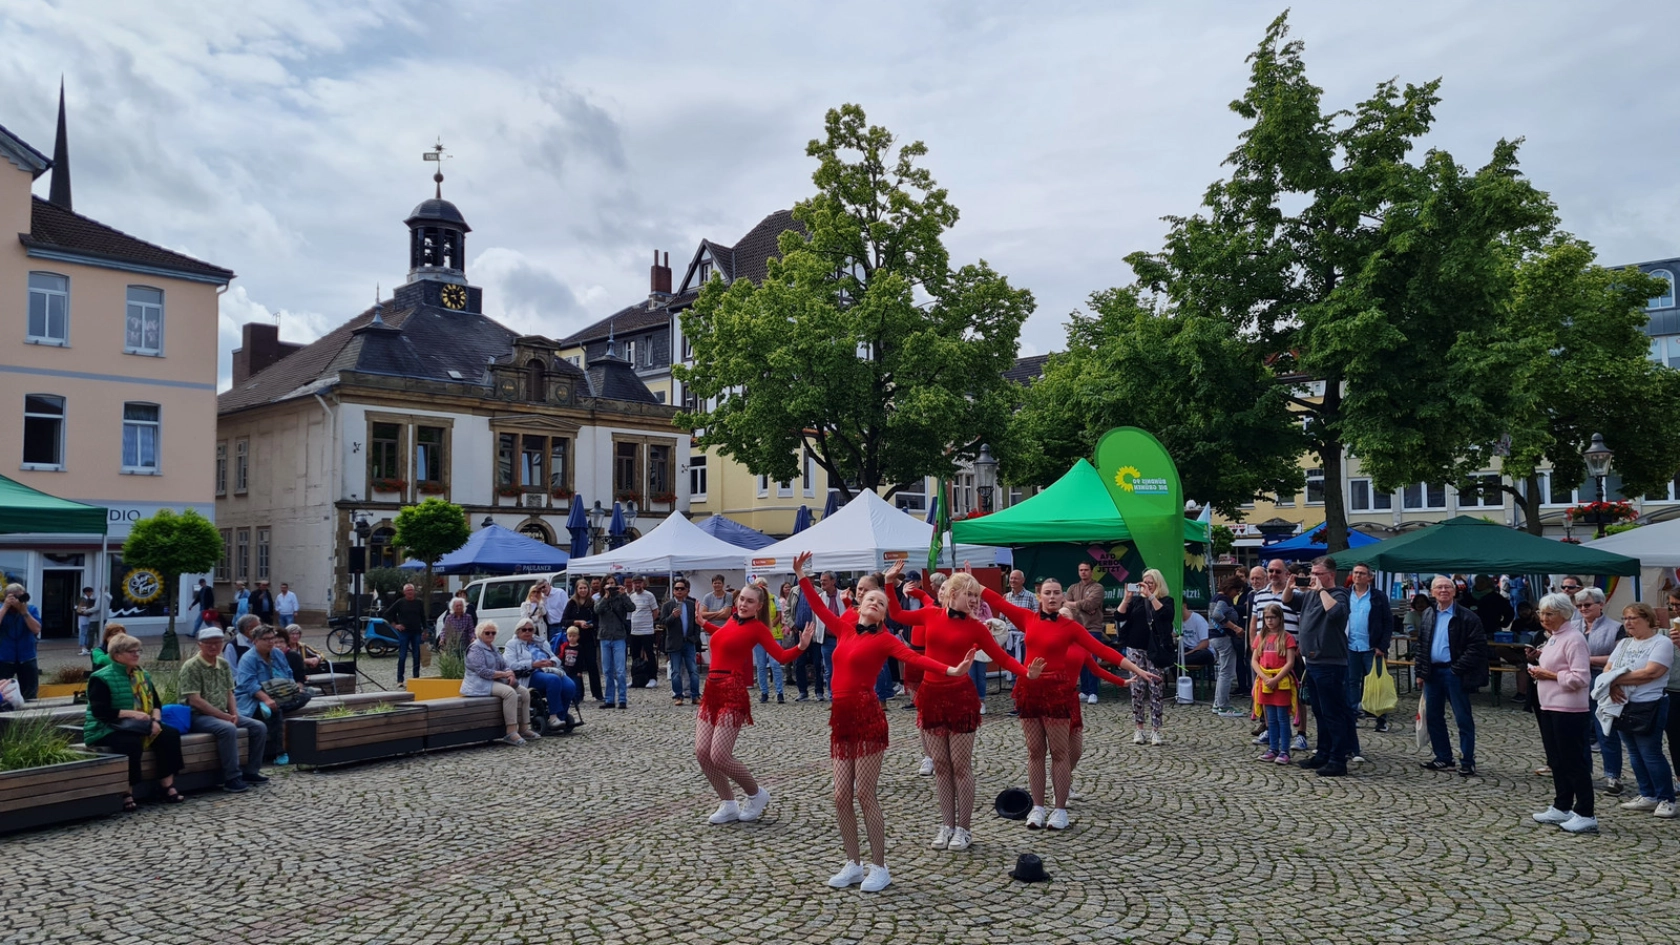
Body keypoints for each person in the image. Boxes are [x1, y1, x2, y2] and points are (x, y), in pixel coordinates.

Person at [796, 552, 971, 893]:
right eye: (870, 599)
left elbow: (916, 657)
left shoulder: (886, 639)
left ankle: (880, 866)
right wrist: (802, 575)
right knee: (840, 795)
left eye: (881, 601)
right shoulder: (844, 628)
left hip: (867, 715)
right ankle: (852, 863)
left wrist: (951, 670)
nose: (875, 603)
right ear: (859, 605)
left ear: (884, 613)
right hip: (840, 716)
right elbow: (818, 607)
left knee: (865, 793)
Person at [884, 563, 1031, 850]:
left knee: (960, 766)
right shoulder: (930, 614)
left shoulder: (976, 627)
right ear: (951, 594)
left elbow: (1001, 657)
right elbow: (897, 614)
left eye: (977, 595)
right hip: (931, 695)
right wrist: (889, 585)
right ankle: (946, 825)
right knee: (940, 766)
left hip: (960, 697)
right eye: (969, 594)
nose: (975, 600)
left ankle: (964, 828)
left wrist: (1027, 673)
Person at [985, 578, 1143, 831]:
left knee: (1060, 753)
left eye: (1056, 593)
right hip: (1030, 689)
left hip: (1058, 691)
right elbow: (994, 599)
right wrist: (966, 580)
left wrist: (1136, 670)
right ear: (1040, 596)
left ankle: (1059, 810)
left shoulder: (1070, 627)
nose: (1051, 597)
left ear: (1062, 598)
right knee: (1035, 752)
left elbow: (1103, 651)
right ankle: (1037, 807)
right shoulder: (1027, 618)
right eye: (1046, 593)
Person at [695, 581, 813, 826]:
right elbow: (725, 638)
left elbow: (780, 656)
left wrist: (801, 647)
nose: (743, 604)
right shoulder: (731, 620)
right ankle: (728, 803)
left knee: (720, 755)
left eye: (750, 601)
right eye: (741, 599)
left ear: (759, 606)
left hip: (732, 690)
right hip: (712, 689)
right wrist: (704, 624)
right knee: (702, 753)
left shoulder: (758, 628)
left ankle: (756, 794)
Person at [84, 633, 184, 810]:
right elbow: (100, 712)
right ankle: (127, 792)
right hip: (106, 727)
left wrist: (156, 722)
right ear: (117, 655)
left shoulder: (142, 675)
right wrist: (132, 714)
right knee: (130, 744)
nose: (137, 654)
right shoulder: (100, 678)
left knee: (170, 735)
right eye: (132, 651)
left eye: (139, 651)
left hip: (141, 724)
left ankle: (167, 785)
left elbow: (157, 703)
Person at [1599, 603, 1676, 818]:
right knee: (1633, 751)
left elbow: (1651, 672)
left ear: (1647, 619)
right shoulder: (1623, 643)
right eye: (1625, 618)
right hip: (1622, 702)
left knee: (1650, 752)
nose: (1628, 622)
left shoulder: (1661, 642)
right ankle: (1647, 794)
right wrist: (1611, 684)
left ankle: (1666, 798)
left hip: (1649, 703)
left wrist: (1614, 679)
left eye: (1633, 618)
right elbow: (1608, 668)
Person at [1527, 593, 1595, 832]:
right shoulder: (1554, 638)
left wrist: (1550, 675)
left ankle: (1586, 811)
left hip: (1569, 707)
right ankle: (1562, 805)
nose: (1544, 618)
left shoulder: (1574, 638)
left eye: (1549, 614)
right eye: (1541, 613)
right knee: (1556, 760)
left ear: (1564, 614)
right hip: (1548, 705)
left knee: (1573, 760)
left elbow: (1581, 677)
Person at [178, 626, 269, 793]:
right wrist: (225, 717)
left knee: (258, 727)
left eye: (217, 643)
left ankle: (251, 771)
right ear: (200, 645)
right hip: (196, 715)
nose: (214, 647)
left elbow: (230, 693)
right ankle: (231, 778)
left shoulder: (223, 664)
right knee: (227, 729)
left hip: (222, 714)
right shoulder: (191, 666)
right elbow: (195, 701)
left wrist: (234, 713)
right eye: (209, 643)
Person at [1416, 575, 1488, 777]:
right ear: (1432, 592)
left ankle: (1467, 760)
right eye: (1439, 587)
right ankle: (1443, 757)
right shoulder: (1428, 614)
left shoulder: (1467, 617)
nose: (1444, 590)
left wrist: (1457, 669)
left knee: (1463, 718)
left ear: (1455, 591)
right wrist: (1420, 672)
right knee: (1434, 716)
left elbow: (1477, 647)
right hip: (1433, 673)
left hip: (1454, 672)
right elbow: (1422, 645)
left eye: (1448, 587)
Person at [1295, 557, 1354, 777]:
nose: (1313, 578)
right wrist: (1291, 584)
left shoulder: (1339, 594)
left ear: (1330, 574)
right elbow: (1289, 602)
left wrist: (1321, 590)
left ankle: (1338, 759)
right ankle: (1323, 752)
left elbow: (1337, 614)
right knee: (1319, 711)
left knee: (1333, 712)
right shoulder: (1310, 594)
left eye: (1318, 574)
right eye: (1313, 573)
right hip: (1311, 661)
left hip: (1330, 662)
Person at [1574, 587, 1627, 796]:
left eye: (1587, 605)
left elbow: (1619, 657)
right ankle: (1583, 772)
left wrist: (1587, 660)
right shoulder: (1572, 626)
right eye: (1579, 606)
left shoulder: (1616, 628)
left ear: (1600, 604)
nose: (1583, 609)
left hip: (1602, 679)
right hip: (1577, 680)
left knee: (1605, 729)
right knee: (1579, 729)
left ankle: (1613, 776)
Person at [1249, 560, 1304, 751]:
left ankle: (1301, 733)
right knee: (1266, 696)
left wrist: (1300, 645)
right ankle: (1270, 732)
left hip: (1289, 649)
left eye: (1277, 571)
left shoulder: (1294, 594)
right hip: (1264, 651)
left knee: (1296, 695)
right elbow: (1255, 620)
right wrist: (1252, 643)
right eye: (1270, 571)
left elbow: (1302, 620)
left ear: (1286, 573)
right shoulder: (1259, 595)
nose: (1273, 574)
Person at [1118, 569, 1174, 745]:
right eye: (1144, 582)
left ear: (1158, 584)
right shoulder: (1136, 601)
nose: (1146, 586)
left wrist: (1150, 596)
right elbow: (1119, 616)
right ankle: (1139, 728)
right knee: (1137, 689)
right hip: (1135, 648)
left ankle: (1156, 730)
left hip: (1154, 650)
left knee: (1156, 689)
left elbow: (1165, 615)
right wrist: (1126, 599)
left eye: (1150, 583)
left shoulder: (1165, 600)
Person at [463, 621, 536, 745]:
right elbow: (482, 672)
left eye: (493, 633)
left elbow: (504, 665)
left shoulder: (493, 647)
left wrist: (510, 674)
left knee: (524, 692)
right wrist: (504, 674)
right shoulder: (475, 649)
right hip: (479, 683)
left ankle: (524, 728)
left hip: (495, 680)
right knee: (509, 693)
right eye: (487, 633)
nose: (491, 635)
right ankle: (511, 732)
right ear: (480, 634)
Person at [503, 618, 580, 733]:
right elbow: (511, 664)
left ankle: (561, 717)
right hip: (530, 673)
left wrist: (552, 662)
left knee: (570, 686)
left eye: (530, 629)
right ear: (518, 631)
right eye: (524, 630)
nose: (528, 632)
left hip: (549, 669)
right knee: (553, 680)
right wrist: (533, 664)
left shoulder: (540, 642)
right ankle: (553, 717)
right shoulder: (512, 644)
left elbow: (554, 656)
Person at [235, 625, 297, 764]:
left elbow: (288, 673)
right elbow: (249, 685)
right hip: (253, 699)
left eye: (272, 638)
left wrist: (293, 689)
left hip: (279, 693)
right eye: (266, 639)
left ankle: (274, 707)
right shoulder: (248, 659)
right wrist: (266, 699)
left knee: (306, 695)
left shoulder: (277, 653)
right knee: (275, 711)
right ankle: (279, 752)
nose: (270, 642)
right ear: (255, 641)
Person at [1344, 562, 1394, 734]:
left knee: (1377, 683)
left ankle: (1381, 718)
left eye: (1362, 573)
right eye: (1355, 573)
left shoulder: (1378, 597)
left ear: (1369, 577)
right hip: (1351, 646)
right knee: (1352, 682)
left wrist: (1382, 646)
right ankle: (1353, 715)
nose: (1358, 576)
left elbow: (1388, 622)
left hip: (1372, 648)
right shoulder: (1345, 595)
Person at [1251, 604, 1301, 764]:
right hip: (1265, 683)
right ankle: (1273, 748)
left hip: (1281, 683)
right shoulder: (1261, 638)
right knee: (1270, 719)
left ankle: (1284, 751)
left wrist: (1275, 679)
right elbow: (1254, 660)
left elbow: (1290, 662)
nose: (1270, 621)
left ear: (1280, 618)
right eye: (1267, 618)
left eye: (1273, 617)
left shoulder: (1287, 638)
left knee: (1282, 718)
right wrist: (1264, 677)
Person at [792, 571, 844, 702]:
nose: (821, 582)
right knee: (828, 669)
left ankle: (841, 692)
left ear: (833, 581)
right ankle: (833, 696)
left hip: (842, 639)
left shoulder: (844, 595)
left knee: (842, 668)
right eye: (820, 580)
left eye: (824, 580)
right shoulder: (820, 596)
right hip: (824, 639)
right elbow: (814, 617)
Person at [1067, 561, 1107, 704]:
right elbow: (1065, 605)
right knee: (1080, 661)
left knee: (1091, 661)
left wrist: (1077, 605)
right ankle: (1084, 690)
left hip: (1093, 629)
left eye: (1086, 570)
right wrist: (1082, 606)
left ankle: (1093, 692)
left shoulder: (1098, 587)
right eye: (1081, 570)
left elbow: (1091, 604)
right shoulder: (1073, 587)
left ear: (1091, 571)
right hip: (1077, 629)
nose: (1083, 572)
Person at [1206, 578, 1246, 718]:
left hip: (1214, 637)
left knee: (1223, 672)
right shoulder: (1224, 599)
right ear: (1230, 588)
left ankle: (1218, 703)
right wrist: (1235, 628)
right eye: (1236, 590)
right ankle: (1223, 705)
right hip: (1224, 637)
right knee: (1227, 673)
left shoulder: (1215, 597)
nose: (1236, 594)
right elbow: (1217, 614)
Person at [661, 578, 703, 706]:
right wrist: (672, 617)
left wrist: (695, 638)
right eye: (676, 589)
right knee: (675, 671)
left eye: (681, 589)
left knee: (693, 670)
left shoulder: (691, 604)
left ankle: (695, 695)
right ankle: (678, 696)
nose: (679, 591)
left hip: (689, 642)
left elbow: (696, 623)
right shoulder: (667, 606)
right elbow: (662, 623)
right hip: (674, 643)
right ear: (673, 591)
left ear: (687, 591)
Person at [560, 582, 602, 702]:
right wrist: (577, 622)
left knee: (592, 666)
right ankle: (578, 694)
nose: (583, 590)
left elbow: (598, 622)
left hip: (589, 638)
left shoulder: (592, 603)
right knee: (574, 668)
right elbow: (564, 621)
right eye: (580, 588)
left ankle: (597, 693)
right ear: (577, 589)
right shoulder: (572, 603)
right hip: (574, 641)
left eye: (585, 588)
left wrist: (591, 625)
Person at [595, 576, 634, 709]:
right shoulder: (600, 599)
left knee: (620, 670)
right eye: (608, 584)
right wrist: (606, 596)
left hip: (618, 636)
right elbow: (597, 610)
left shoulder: (621, 598)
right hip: (605, 637)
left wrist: (624, 595)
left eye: (613, 584)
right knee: (607, 670)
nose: (610, 586)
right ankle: (609, 699)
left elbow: (631, 608)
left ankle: (622, 699)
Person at [0, 583, 43, 701]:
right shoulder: (1, 609)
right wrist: (5, 607)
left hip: (27, 656)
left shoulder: (31, 609)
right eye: (15, 597)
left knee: (30, 695)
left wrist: (24, 612)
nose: (19, 600)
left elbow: (36, 629)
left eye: (21, 597)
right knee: (3, 692)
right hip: (4, 657)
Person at [382, 583, 428, 686]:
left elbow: (423, 616)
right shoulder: (400, 602)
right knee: (402, 656)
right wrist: (395, 625)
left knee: (417, 655)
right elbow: (387, 614)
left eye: (411, 590)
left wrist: (425, 630)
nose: (410, 592)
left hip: (417, 632)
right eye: (408, 590)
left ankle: (416, 678)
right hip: (404, 633)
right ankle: (400, 680)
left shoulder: (419, 602)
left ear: (414, 591)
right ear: (404, 592)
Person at [758, 583, 792, 704]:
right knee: (761, 665)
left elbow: (779, 615)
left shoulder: (774, 599)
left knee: (775, 664)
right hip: (758, 637)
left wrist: (769, 626)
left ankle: (779, 692)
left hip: (774, 635)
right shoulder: (755, 601)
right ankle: (764, 692)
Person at [626, 575, 661, 689]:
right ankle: (635, 678)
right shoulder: (631, 596)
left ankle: (652, 678)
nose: (637, 585)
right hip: (634, 631)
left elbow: (655, 611)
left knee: (649, 654)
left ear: (643, 583)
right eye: (635, 583)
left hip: (647, 631)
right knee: (634, 655)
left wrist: (649, 622)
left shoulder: (649, 596)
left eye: (639, 582)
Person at [76, 586, 99, 657]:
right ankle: (83, 647)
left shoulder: (88, 599)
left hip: (87, 618)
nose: (91, 593)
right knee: (83, 633)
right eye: (90, 592)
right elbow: (79, 609)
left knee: (87, 633)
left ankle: (86, 647)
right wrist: (88, 612)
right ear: (86, 592)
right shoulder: (83, 600)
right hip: (83, 618)